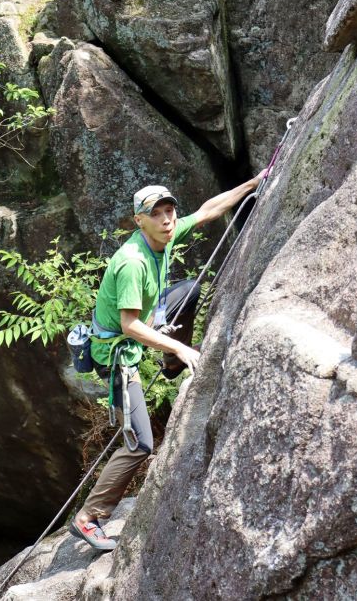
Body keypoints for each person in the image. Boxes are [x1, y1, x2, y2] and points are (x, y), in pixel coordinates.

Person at [69, 173, 264, 550]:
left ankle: (171, 367)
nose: (166, 218)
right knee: (140, 443)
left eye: (169, 210)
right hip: (117, 356)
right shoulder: (132, 262)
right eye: (156, 213)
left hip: (146, 324)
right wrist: (178, 347)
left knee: (189, 290)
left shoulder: (165, 235)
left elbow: (208, 211)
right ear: (139, 220)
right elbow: (129, 325)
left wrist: (255, 182)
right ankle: (88, 518)